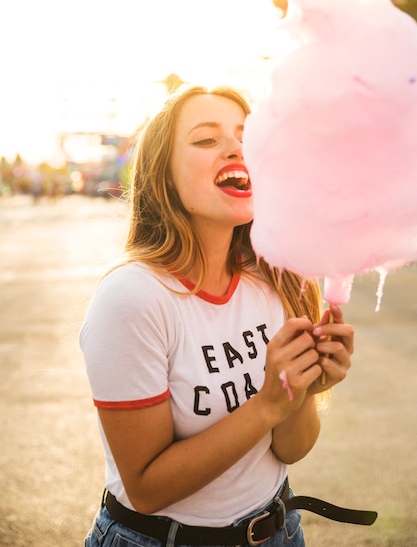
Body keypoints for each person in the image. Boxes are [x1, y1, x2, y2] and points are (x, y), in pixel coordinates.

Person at [80, 84, 362, 547]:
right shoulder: (133, 297)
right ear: (163, 176)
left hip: (277, 531)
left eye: (247, 137)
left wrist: (304, 389)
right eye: (206, 139)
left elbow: (290, 447)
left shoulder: (274, 276)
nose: (236, 147)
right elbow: (146, 489)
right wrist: (269, 402)